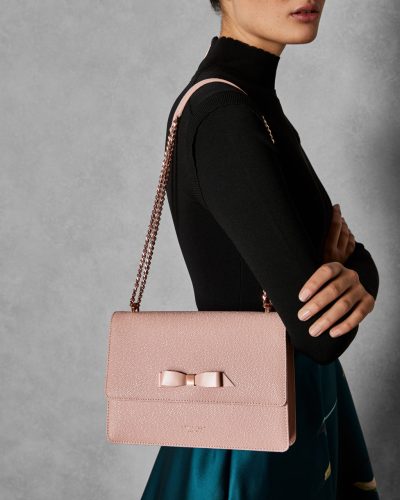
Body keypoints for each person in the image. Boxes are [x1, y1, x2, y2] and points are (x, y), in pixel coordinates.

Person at [141, 1, 380, 498]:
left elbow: (348, 262)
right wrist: (349, 270)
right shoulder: (225, 116)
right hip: (253, 437)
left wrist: (354, 271)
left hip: (279, 409)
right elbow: (319, 334)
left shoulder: (250, 100)